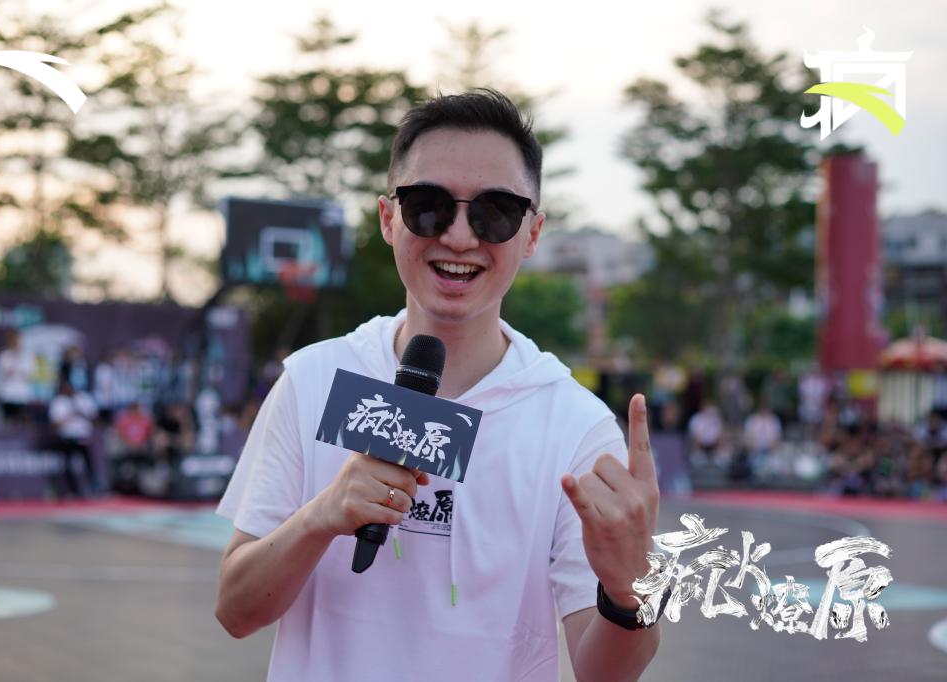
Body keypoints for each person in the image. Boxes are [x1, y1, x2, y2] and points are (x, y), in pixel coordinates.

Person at [215, 91, 662, 681]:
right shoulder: (315, 379)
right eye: (428, 206)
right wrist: (322, 514)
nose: (458, 237)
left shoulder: (575, 426)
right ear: (388, 218)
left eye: (495, 212)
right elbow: (236, 610)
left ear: (532, 234)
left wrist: (628, 593)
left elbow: (604, 673)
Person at [48, 379, 99, 497]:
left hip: (83, 437)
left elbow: (95, 419)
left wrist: (81, 413)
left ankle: (94, 489)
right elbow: (55, 425)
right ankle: (70, 490)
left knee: (89, 464)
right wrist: (69, 415)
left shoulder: (84, 399)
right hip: (67, 438)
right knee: (67, 466)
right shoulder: (58, 402)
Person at [0, 329, 34, 425]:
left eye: (16, 340)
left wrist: (17, 372)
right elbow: (2, 374)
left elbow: (29, 376)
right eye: (12, 340)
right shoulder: (3, 356)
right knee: (8, 422)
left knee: (23, 421)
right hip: (7, 395)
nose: (14, 343)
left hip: (22, 396)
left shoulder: (27, 356)